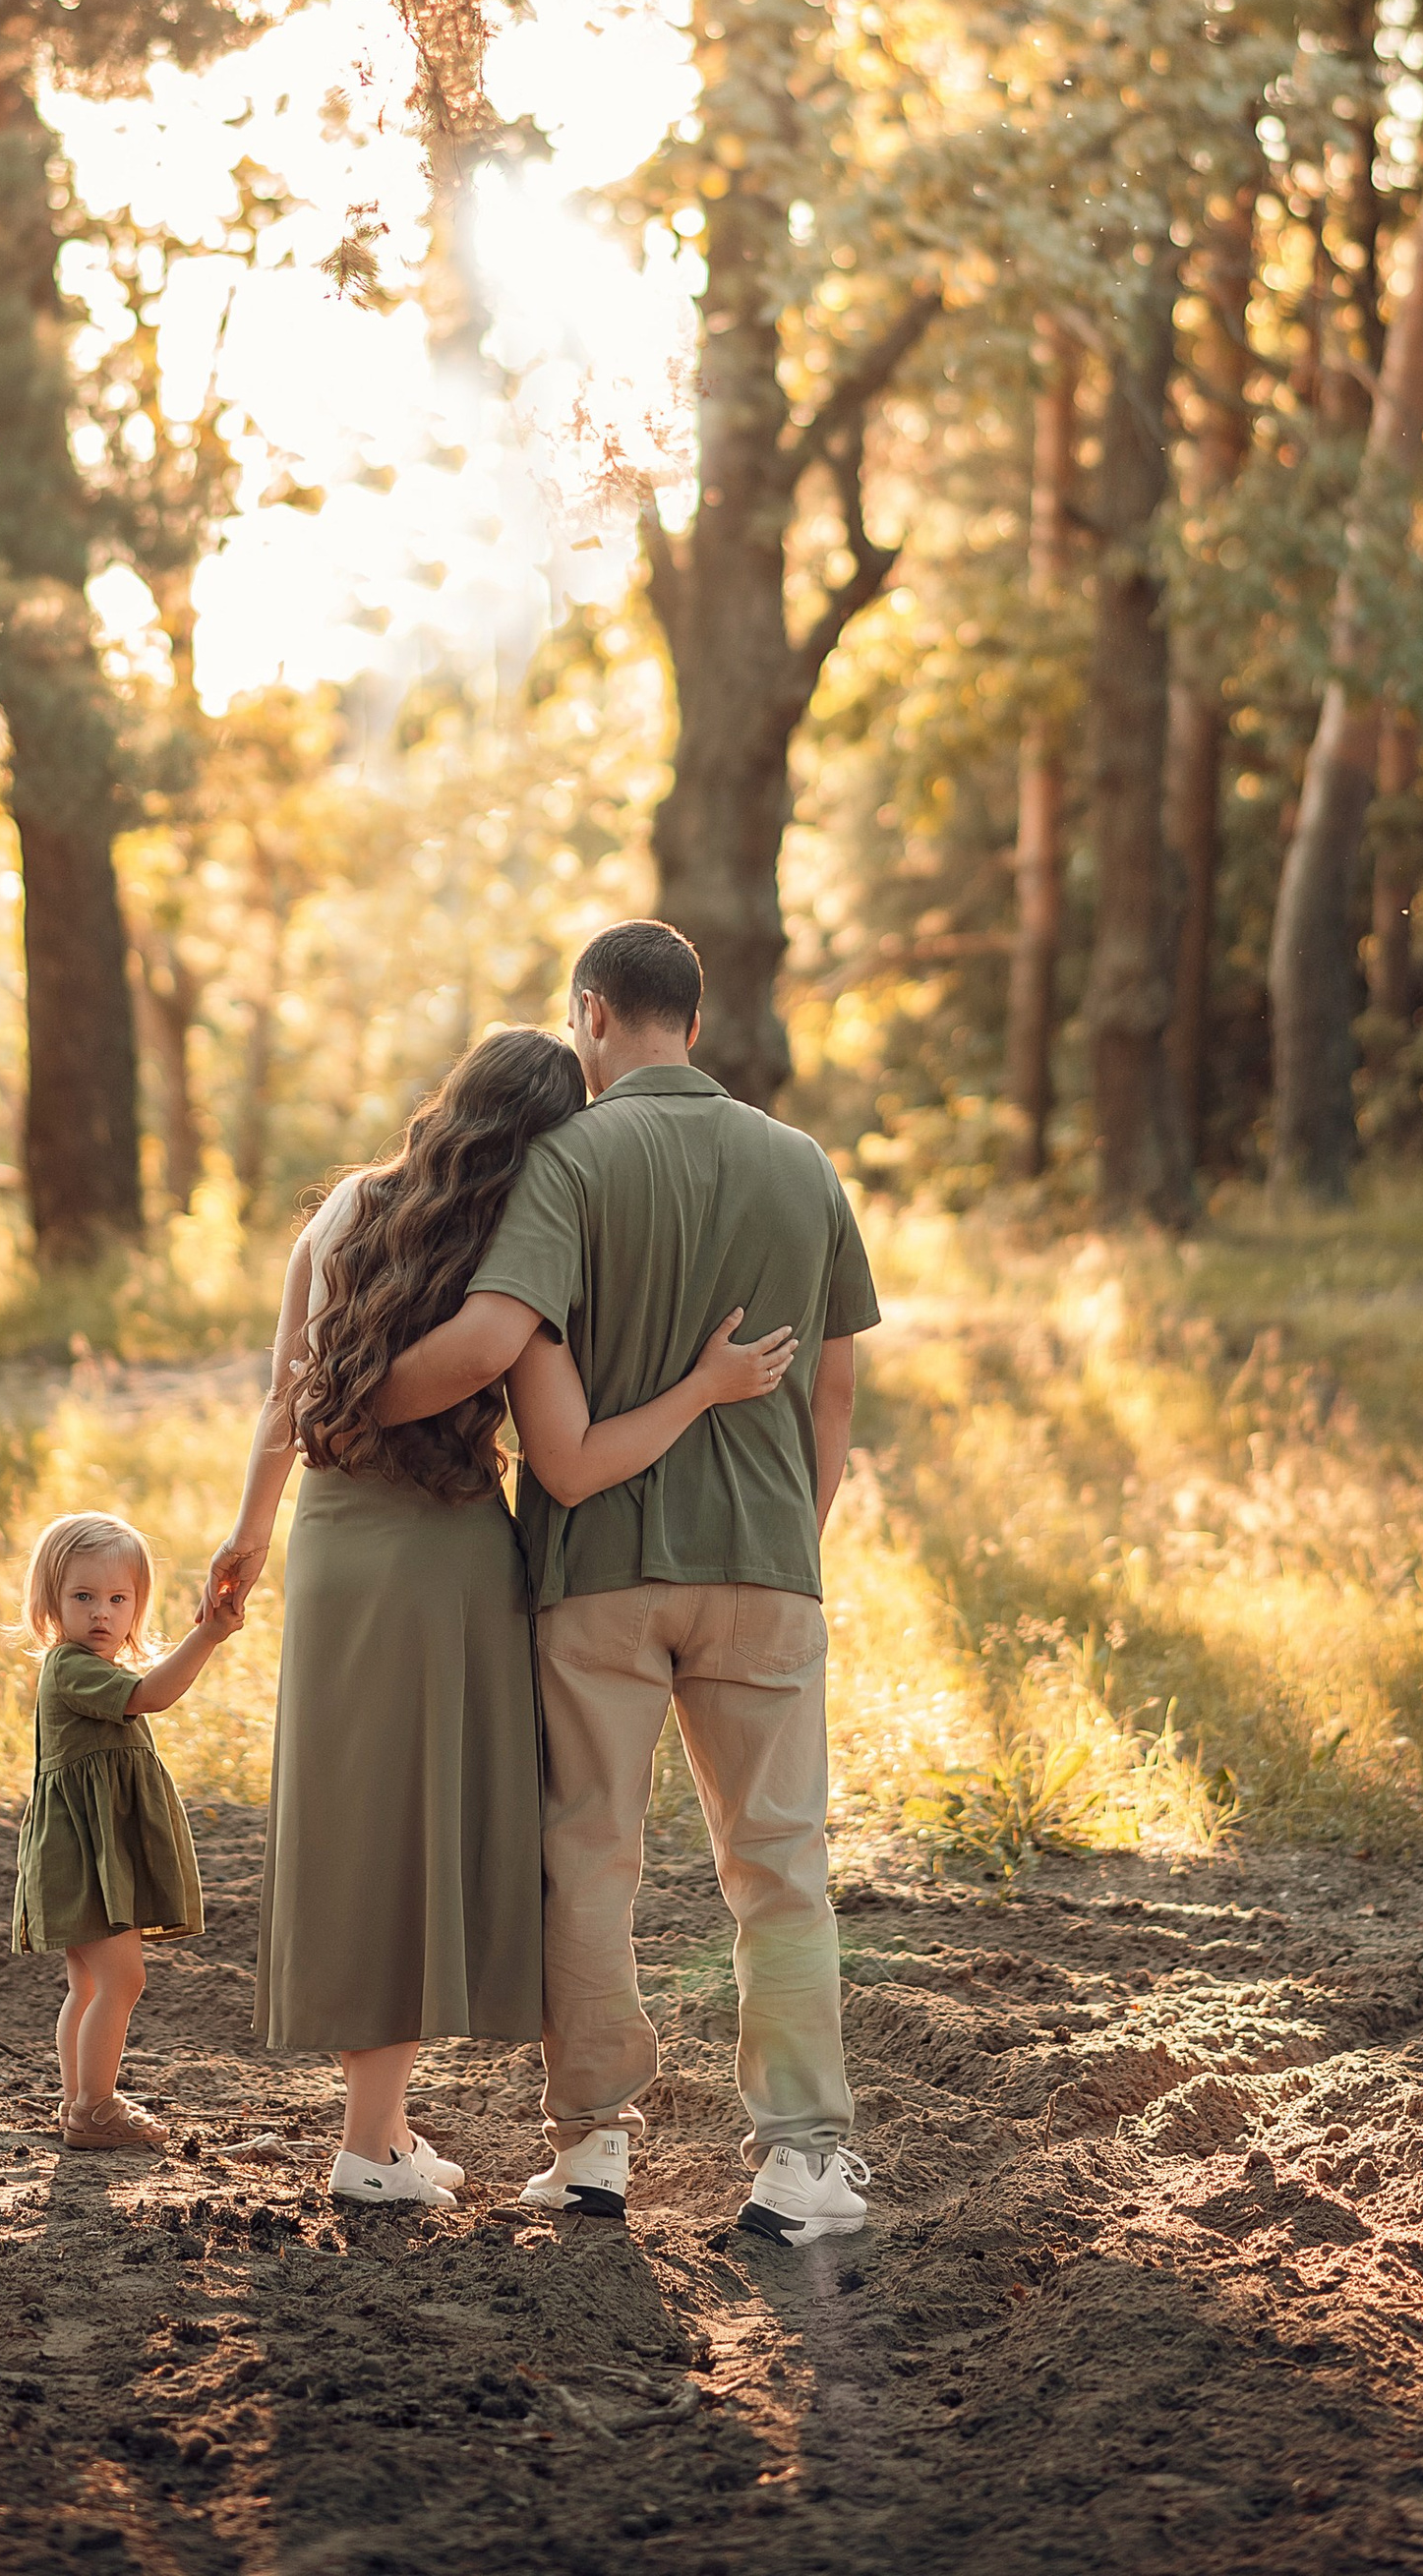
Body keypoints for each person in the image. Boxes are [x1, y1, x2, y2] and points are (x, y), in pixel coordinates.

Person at [207, 1025, 795, 2212]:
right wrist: (703, 1387)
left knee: (360, 1822)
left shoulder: (345, 1211)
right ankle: (370, 2146)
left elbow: (286, 1390)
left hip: (332, 1539)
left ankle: (379, 2129)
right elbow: (571, 1458)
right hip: (449, 1554)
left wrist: (251, 1531)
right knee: (424, 1832)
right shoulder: (511, 1268)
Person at [374, 918, 880, 2247]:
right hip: (765, 1567)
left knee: (588, 1856)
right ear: (695, 1025)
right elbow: (834, 1385)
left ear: (593, 1016)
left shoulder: (566, 1163)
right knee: (778, 1867)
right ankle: (800, 2165)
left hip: (596, 1568)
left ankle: (594, 2148)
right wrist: (796, 1535)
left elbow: (505, 1342)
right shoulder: (802, 1165)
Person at [11, 1506, 241, 2152]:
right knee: (122, 1979)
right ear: (52, 1600)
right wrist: (209, 1637)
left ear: (138, 1604)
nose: (101, 1614)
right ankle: (93, 2107)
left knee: (87, 1984)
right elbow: (152, 1695)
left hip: (84, 1855)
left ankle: (81, 2102)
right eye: (83, 1597)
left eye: (119, 1598)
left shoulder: (87, 1668)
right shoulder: (71, 1667)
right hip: (84, 1857)